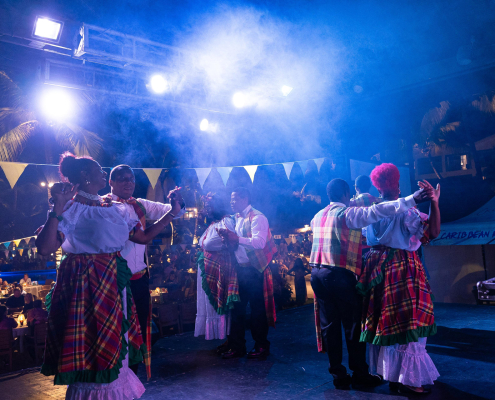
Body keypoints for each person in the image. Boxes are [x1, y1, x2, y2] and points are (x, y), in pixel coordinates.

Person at [35, 152, 182, 400]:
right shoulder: (71, 207)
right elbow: (45, 248)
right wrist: (56, 209)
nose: (103, 173)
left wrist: (172, 214)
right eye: (99, 170)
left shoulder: (113, 208)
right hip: (86, 285)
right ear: (84, 176)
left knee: (115, 343)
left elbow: (144, 237)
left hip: (112, 281)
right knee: (93, 346)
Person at [310, 178, 432, 390]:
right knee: (353, 325)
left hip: (317, 274)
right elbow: (378, 211)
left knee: (329, 326)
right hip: (339, 275)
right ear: (346, 194)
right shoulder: (347, 214)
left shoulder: (317, 216)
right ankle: (359, 373)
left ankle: (338, 375)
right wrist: (412, 199)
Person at [357, 164, 441, 395]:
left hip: (377, 267)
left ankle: (394, 376)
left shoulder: (372, 210)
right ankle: (410, 380)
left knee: (386, 322)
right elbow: (432, 232)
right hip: (401, 267)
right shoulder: (405, 212)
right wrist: (434, 201)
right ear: (397, 183)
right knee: (409, 321)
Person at [104, 164, 185, 379]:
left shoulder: (138, 204)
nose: (128, 182)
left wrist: (175, 203)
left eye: (130, 178)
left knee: (138, 329)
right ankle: (117, 376)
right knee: (118, 331)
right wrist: (172, 214)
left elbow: (173, 211)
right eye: (121, 178)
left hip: (140, 279)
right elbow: (143, 237)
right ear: (110, 182)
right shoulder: (105, 205)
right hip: (116, 280)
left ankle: (132, 377)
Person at [217, 187, 277, 360]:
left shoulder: (258, 217)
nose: (231, 202)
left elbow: (259, 243)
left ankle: (261, 346)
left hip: (256, 270)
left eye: (234, 199)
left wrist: (236, 238)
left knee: (258, 310)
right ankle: (238, 347)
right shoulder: (236, 218)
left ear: (245, 199)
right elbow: (238, 246)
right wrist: (228, 239)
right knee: (237, 309)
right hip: (241, 269)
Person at [194, 193, 240, 341]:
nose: (207, 209)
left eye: (209, 205)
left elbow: (228, 244)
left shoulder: (226, 221)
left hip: (221, 270)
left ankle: (231, 341)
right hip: (210, 270)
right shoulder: (213, 224)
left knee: (223, 307)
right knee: (211, 306)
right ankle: (226, 341)